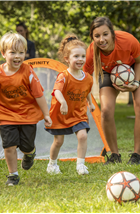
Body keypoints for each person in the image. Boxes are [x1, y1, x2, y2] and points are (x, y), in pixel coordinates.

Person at [0, 32, 52, 186]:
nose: (17, 56)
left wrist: (46, 114)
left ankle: (30, 154)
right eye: (13, 52)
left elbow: (39, 95)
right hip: (6, 116)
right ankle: (13, 175)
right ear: (3, 54)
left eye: (21, 53)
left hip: (28, 116)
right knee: (9, 146)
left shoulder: (28, 72)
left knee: (26, 146)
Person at [83, 17, 140, 165]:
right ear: (92, 38)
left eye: (105, 34)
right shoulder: (90, 53)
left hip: (134, 68)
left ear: (112, 33)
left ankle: (136, 155)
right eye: (97, 36)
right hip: (108, 72)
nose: (102, 39)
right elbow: (83, 79)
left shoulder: (127, 40)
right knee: (106, 111)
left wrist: (135, 83)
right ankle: (114, 155)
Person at [45, 35, 95, 175]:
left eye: (83, 56)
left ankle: (80, 165)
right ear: (67, 58)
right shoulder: (63, 76)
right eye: (76, 56)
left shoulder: (88, 78)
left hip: (78, 113)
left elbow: (87, 91)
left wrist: (90, 104)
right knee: (58, 141)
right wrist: (63, 102)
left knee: (83, 136)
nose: (80, 59)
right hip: (62, 114)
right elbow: (57, 91)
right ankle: (52, 164)